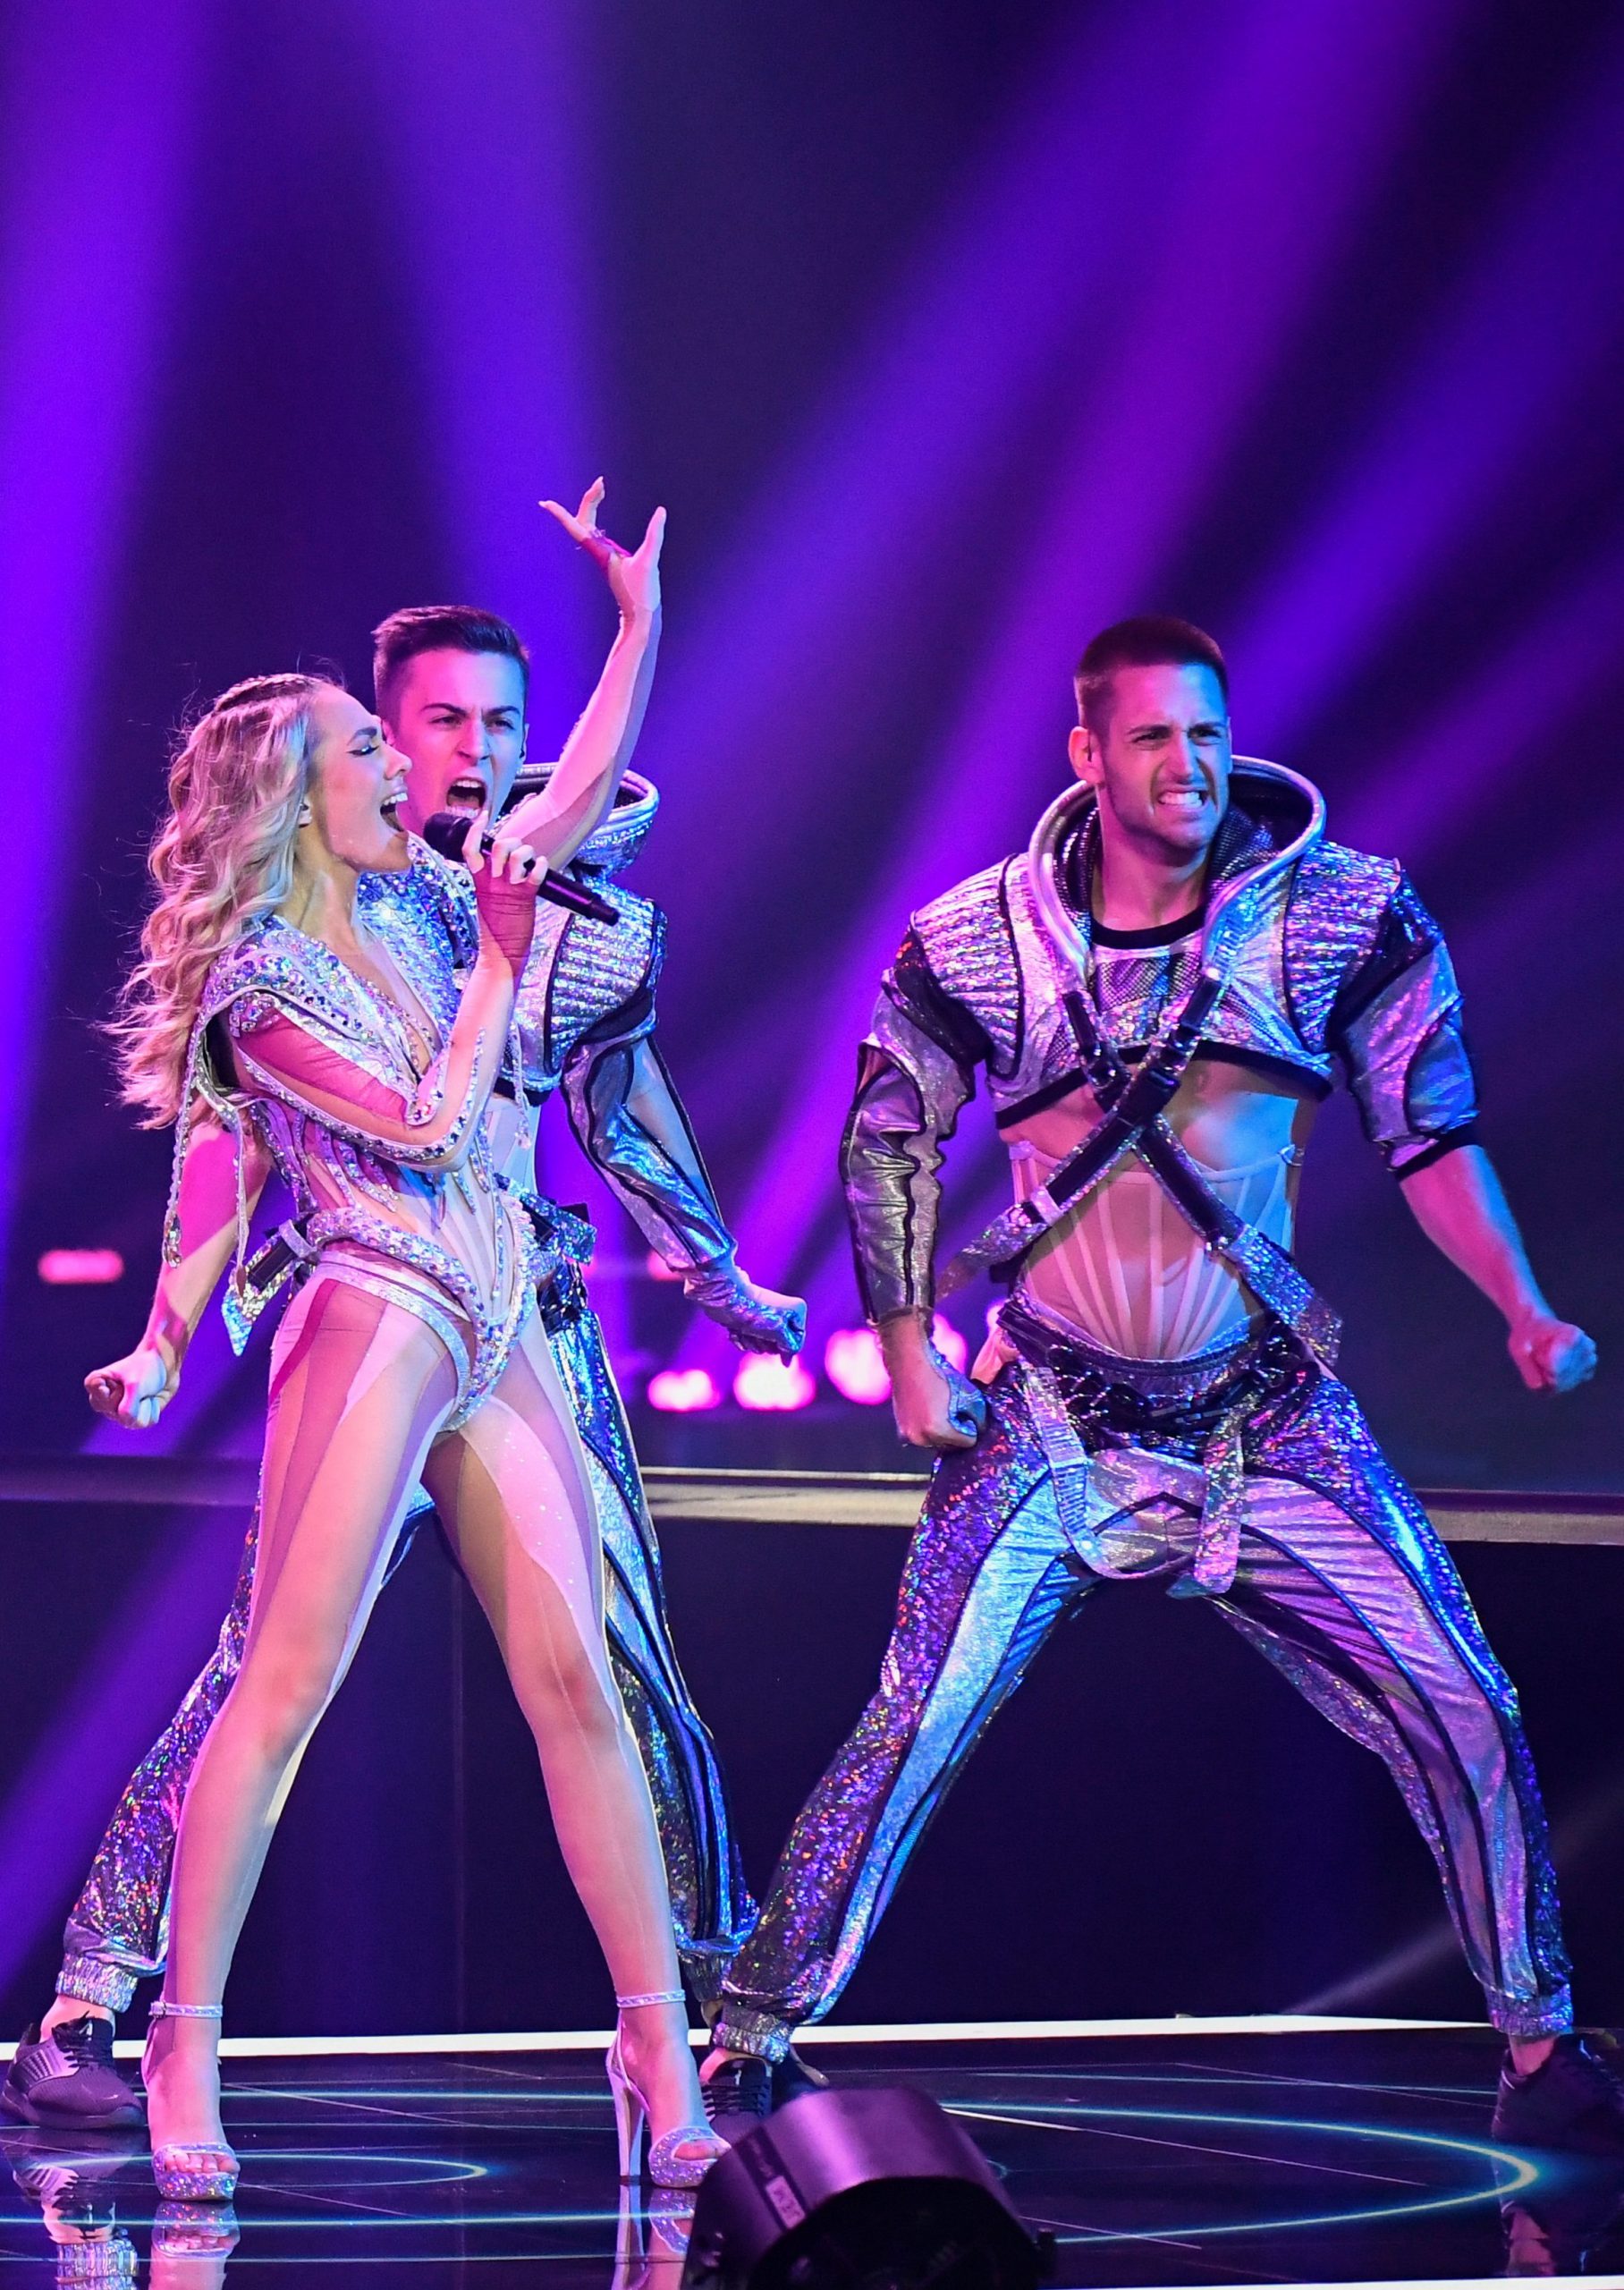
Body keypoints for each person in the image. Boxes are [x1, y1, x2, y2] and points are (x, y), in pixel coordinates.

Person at [701, 615, 1621, 2159]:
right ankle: (752, 2034)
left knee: (1468, 1702)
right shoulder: (979, 939)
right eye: (1149, 739)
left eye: (1204, 733)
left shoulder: (1338, 916)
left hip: (1264, 1419)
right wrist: (916, 1356)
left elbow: (1431, 1133)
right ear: (1088, 755)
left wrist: (1523, 1309)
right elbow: (888, 1142)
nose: (1185, 765)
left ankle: (1537, 2042)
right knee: (911, 1725)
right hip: (1051, 1420)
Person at [4, 496, 808, 2137]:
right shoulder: (271, 974)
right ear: (321, 779)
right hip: (375, 1300)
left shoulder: (454, 900)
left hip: (519, 1301)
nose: (443, 762)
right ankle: (134, 2019)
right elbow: (259, 1162)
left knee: (596, 1675)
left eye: (479, 731)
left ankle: (672, 2053)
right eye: (404, 734)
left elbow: (575, 840)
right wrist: (169, 1333)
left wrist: (642, 630)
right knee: (274, 1674)